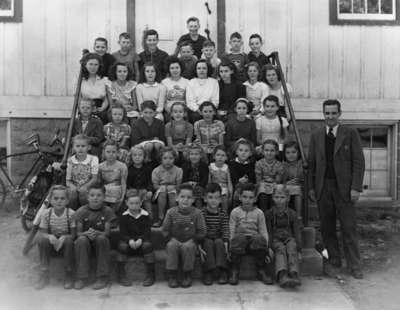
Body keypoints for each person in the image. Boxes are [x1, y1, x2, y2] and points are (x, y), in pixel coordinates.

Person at [308, 99, 365, 279]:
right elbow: (312, 163)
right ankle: (334, 260)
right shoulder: (316, 135)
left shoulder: (350, 133)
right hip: (323, 186)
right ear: (323, 114)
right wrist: (311, 187)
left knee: (349, 227)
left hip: (345, 188)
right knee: (327, 227)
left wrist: (356, 187)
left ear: (340, 113)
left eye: (334, 113)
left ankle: (355, 265)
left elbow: (359, 162)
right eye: (327, 113)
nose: (330, 117)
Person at [162, 183, 207, 288]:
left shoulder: (197, 213)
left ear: (193, 200)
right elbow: (165, 229)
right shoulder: (171, 212)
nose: (185, 200)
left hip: (191, 240)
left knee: (188, 247)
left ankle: (187, 275)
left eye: (189, 197)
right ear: (177, 198)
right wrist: (171, 239)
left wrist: (194, 240)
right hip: (174, 239)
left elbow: (202, 231)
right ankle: (172, 275)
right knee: (172, 246)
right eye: (182, 197)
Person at [73, 183, 116, 290]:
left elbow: (107, 233)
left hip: (100, 242)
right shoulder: (81, 211)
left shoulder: (107, 211)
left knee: (102, 239)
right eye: (92, 195)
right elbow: (78, 233)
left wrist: (97, 232)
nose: (95, 198)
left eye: (99, 195)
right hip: (85, 242)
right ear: (87, 197)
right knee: (81, 240)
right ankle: (82, 277)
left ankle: (102, 276)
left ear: (104, 197)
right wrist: (86, 234)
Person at [229, 183, 273, 285]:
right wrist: (230, 246)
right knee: (239, 238)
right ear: (240, 197)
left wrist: (267, 247)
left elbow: (263, 231)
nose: (247, 200)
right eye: (244, 197)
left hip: (254, 244)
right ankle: (234, 270)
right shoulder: (235, 212)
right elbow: (231, 229)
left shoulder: (259, 213)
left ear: (255, 199)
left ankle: (261, 270)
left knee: (259, 238)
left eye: (250, 197)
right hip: (239, 245)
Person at [35, 185, 76, 290]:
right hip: (52, 246)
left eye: (62, 198)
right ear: (51, 200)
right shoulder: (46, 213)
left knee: (68, 241)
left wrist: (65, 237)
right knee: (41, 239)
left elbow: (74, 234)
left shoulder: (71, 214)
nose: (59, 201)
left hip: (66, 247)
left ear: (67, 201)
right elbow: (42, 232)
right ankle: (44, 273)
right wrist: (49, 236)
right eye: (56, 198)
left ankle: (68, 273)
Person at [112, 190, 155, 287]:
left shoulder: (145, 215)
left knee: (148, 245)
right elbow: (122, 233)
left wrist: (141, 240)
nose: (134, 205)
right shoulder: (124, 216)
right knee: (121, 246)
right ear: (127, 203)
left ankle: (151, 274)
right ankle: (121, 275)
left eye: (137, 203)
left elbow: (147, 232)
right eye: (131, 203)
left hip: (141, 242)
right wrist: (130, 240)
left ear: (141, 203)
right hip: (129, 242)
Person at [265, 184, 302, 288]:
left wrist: (299, 250)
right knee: (280, 249)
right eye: (276, 197)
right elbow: (269, 232)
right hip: (276, 239)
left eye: (282, 197)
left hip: (289, 238)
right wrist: (269, 247)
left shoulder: (292, 214)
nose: (279, 200)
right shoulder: (269, 214)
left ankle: (294, 274)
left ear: (288, 198)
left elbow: (297, 232)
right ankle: (282, 275)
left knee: (292, 247)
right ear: (272, 198)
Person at [199, 183, 230, 285]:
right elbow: (200, 230)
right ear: (205, 199)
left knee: (219, 242)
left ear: (220, 199)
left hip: (218, 237)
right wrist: (199, 244)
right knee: (208, 243)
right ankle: (208, 271)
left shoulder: (223, 213)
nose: (213, 200)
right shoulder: (201, 213)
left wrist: (226, 241)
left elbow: (225, 228)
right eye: (210, 197)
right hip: (206, 238)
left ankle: (222, 270)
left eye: (216, 198)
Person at [152, 147, 183, 227]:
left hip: (174, 190)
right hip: (161, 190)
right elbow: (155, 185)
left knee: (171, 193)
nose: (168, 160)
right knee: (162, 192)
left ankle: (173, 218)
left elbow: (179, 185)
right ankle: (161, 218)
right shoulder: (156, 170)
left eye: (171, 158)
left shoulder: (178, 170)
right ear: (160, 159)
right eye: (165, 158)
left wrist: (173, 188)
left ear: (174, 159)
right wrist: (162, 187)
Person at [66, 134, 99, 210]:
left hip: (89, 185)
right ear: (74, 148)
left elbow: (94, 179)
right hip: (74, 186)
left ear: (89, 147)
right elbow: (67, 181)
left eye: (83, 146)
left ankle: (86, 212)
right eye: (77, 146)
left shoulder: (93, 159)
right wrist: (73, 187)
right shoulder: (70, 160)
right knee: (72, 193)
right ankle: (73, 213)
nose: (80, 149)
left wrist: (85, 186)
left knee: (84, 193)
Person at [80, 53, 112, 123]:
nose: (93, 67)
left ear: (99, 66)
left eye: (95, 65)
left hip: (101, 109)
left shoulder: (104, 80)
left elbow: (107, 98)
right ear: (85, 65)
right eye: (90, 64)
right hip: (85, 108)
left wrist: (103, 107)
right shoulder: (81, 81)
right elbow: (79, 98)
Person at [98, 141, 128, 213]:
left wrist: (123, 196)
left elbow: (123, 183)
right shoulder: (100, 166)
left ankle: (112, 215)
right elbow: (99, 183)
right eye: (108, 152)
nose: (111, 154)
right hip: (105, 189)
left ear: (118, 153)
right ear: (104, 152)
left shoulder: (122, 166)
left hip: (117, 189)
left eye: (113, 152)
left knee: (115, 191)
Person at [255, 139, 284, 212]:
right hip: (262, 185)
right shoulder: (259, 163)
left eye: (272, 150)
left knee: (275, 191)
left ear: (276, 152)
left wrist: (272, 181)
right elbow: (258, 180)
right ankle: (263, 214)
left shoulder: (279, 164)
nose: (269, 153)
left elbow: (278, 180)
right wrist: (266, 182)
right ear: (262, 151)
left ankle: (272, 215)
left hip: (274, 185)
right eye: (266, 150)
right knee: (263, 193)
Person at [127, 146, 154, 217]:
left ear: (144, 156)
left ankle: (149, 219)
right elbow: (127, 183)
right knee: (133, 198)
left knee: (146, 197)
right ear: (131, 157)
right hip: (132, 191)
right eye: (135, 155)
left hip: (144, 191)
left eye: (140, 155)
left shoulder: (147, 168)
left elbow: (150, 181)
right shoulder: (129, 169)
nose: (137, 157)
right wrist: (130, 191)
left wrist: (150, 190)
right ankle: (132, 219)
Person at [228, 139, 256, 206]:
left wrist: (247, 180)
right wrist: (239, 181)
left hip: (249, 186)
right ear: (236, 152)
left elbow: (253, 178)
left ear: (250, 153)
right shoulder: (232, 163)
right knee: (237, 192)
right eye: (241, 150)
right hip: (236, 186)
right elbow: (233, 179)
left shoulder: (252, 164)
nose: (243, 153)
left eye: (246, 151)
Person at [182, 143, 209, 209]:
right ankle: (186, 211)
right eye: (192, 154)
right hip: (187, 185)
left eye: (196, 154)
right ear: (188, 156)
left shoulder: (204, 166)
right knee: (187, 191)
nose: (194, 156)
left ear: (201, 156)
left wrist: (197, 184)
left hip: (200, 186)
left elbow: (205, 180)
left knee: (198, 191)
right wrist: (189, 183)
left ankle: (198, 212)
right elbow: (184, 179)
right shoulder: (185, 166)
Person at [282, 141, 304, 219]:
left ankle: (298, 216)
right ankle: (285, 215)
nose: (291, 155)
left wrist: (299, 180)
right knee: (284, 190)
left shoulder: (301, 163)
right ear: (284, 154)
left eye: (293, 152)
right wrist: (287, 182)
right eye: (288, 153)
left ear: (298, 152)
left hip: (300, 187)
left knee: (297, 189)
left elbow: (303, 178)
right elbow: (282, 180)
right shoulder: (284, 165)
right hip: (288, 187)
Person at [208, 146, 233, 213]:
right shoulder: (211, 167)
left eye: (223, 155)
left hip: (224, 187)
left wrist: (231, 192)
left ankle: (225, 214)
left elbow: (229, 181)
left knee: (224, 197)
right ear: (214, 156)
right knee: (213, 196)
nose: (220, 157)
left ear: (226, 157)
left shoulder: (227, 168)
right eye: (218, 155)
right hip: (213, 187)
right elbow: (209, 181)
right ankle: (213, 214)